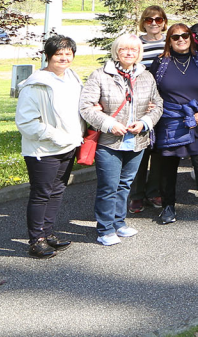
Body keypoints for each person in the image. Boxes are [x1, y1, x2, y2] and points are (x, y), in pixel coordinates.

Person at [80, 34, 162, 246]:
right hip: (109, 141)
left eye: (133, 50)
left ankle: (118, 222)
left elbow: (158, 105)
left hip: (136, 140)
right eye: (124, 49)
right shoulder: (100, 75)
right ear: (116, 51)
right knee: (109, 186)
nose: (129, 53)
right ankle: (105, 229)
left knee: (125, 184)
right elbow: (86, 107)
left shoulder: (146, 76)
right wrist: (109, 124)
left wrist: (144, 122)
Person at [149, 23, 198, 224]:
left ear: (191, 38)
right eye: (175, 37)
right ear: (169, 41)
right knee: (167, 166)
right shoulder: (161, 62)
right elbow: (150, 90)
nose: (181, 39)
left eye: (185, 35)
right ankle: (168, 207)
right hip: (171, 122)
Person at [16, 35, 83, 258]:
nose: (64, 58)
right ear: (48, 56)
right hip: (43, 150)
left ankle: (48, 232)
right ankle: (36, 240)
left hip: (68, 146)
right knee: (41, 193)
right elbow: (26, 122)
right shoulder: (36, 84)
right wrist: (57, 137)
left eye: (68, 54)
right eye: (58, 54)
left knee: (57, 191)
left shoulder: (72, 78)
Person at [127, 6, 168, 214]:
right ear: (143, 22)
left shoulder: (168, 43)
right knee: (140, 151)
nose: (154, 23)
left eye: (158, 20)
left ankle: (154, 191)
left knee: (159, 151)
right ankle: (136, 195)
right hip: (140, 104)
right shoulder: (136, 44)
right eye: (149, 19)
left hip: (164, 104)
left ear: (164, 22)